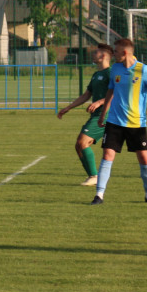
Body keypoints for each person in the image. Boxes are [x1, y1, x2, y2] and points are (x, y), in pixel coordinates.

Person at [91, 38, 147, 205]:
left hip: (136, 123)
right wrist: (103, 115)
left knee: (144, 158)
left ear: (124, 53)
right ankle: (99, 195)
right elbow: (110, 92)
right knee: (107, 155)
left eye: (115, 52)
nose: (113, 54)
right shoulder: (115, 69)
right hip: (114, 121)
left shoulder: (143, 70)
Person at [57, 43, 113, 186]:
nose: (93, 54)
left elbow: (117, 94)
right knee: (79, 145)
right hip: (97, 115)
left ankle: (94, 176)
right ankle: (93, 176)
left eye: (96, 52)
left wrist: (99, 102)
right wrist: (68, 107)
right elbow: (86, 95)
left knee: (82, 142)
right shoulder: (96, 74)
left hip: (106, 114)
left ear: (104, 56)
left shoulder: (110, 73)